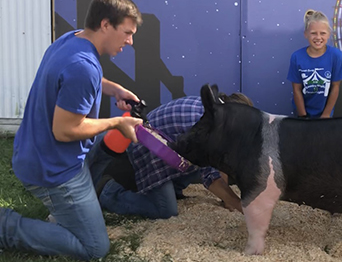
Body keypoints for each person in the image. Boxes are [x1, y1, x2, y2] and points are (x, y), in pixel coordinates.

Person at [0, 0, 144, 261]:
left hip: (33, 151)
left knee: (99, 148)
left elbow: (71, 80)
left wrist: (115, 90)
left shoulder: (71, 40)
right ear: (105, 24)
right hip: (53, 169)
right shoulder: (84, 66)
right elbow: (65, 130)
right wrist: (115, 123)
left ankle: (67, 211)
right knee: (93, 247)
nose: (130, 41)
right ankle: (6, 227)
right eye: (127, 32)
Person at [95, 92, 254, 219]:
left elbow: (217, 161)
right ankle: (108, 193)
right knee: (165, 211)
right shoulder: (207, 127)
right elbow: (211, 178)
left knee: (196, 161)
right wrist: (240, 206)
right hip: (147, 151)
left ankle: (174, 189)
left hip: (166, 149)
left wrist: (228, 200)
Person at [287, 9, 342, 118]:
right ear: (306, 34)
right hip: (302, 114)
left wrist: (326, 115)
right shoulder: (296, 57)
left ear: (328, 34)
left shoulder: (336, 55)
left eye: (322, 33)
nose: (318, 38)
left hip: (325, 115)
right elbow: (296, 89)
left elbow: (335, 86)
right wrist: (303, 116)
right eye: (313, 33)